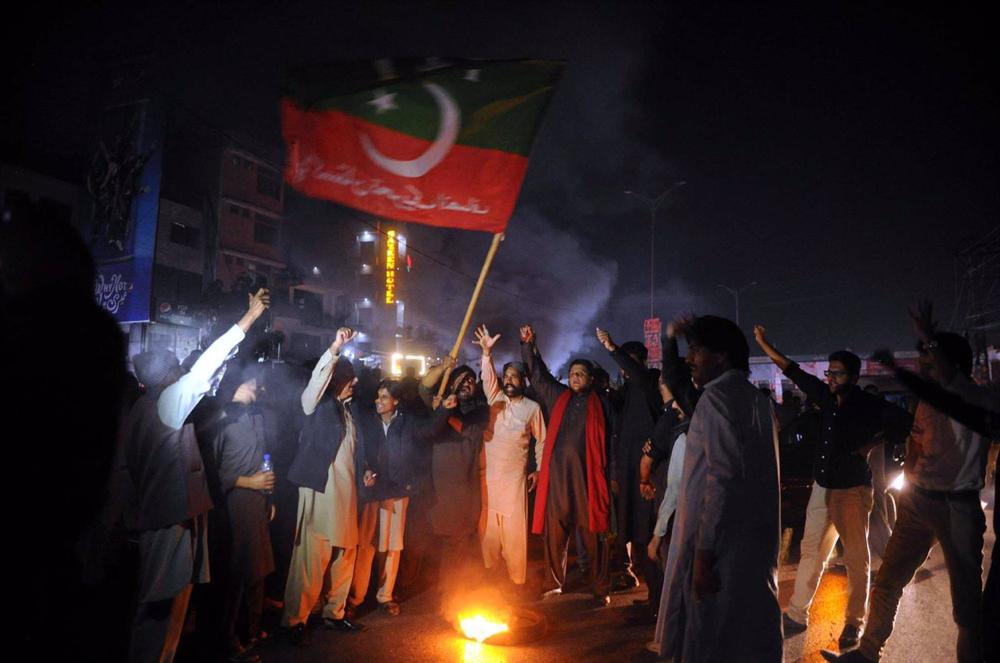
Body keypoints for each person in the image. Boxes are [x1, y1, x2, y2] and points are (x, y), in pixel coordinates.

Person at [823, 302, 1000, 663]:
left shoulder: (970, 396)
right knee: (888, 581)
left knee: (967, 608)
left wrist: (928, 337)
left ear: (952, 365)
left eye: (932, 362)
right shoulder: (929, 400)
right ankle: (867, 653)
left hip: (957, 506)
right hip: (919, 502)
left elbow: (947, 376)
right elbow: (915, 442)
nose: (925, 367)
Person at [123, 288, 270, 662]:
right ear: (167, 374)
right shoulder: (168, 403)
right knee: (162, 608)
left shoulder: (143, 408)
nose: (182, 371)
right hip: (169, 521)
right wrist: (248, 318)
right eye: (177, 367)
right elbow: (207, 366)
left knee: (165, 610)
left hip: (160, 517)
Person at [754, 325, 912, 650]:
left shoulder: (866, 404)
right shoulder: (826, 397)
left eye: (836, 374)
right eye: (829, 372)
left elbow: (905, 424)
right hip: (822, 485)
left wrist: (872, 443)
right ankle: (798, 613)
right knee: (813, 550)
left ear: (852, 377)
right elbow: (792, 371)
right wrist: (764, 344)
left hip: (852, 490)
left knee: (856, 558)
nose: (830, 378)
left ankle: (854, 623)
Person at [656, 315, 782, 662]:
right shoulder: (758, 401)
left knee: (711, 639)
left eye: (696, 350)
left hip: (720, 549)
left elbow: (721, 482)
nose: (689, 359)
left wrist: (704, 555)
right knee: (749, 635)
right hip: (752, 545)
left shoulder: (716, 399)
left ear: (721, 356)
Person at [281, 328, 375, 643]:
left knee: (346, 551)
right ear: (335, 380)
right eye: (349, 377)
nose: (356, 382)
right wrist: (335, 348)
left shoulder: (351, 411)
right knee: (313, 554)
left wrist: (364, 472)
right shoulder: (316, 403)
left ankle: (335, 613)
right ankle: (295, 620)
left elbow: (354, 450)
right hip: (320, 488)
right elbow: (315, 384)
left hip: (347, 492)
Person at [521, 323, 614, 606]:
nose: (575, 378)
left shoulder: (602, 405)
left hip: (587, 480)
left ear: (591, 380)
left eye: (581, 374)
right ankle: (553, 583)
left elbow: (611, 442)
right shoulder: (559, 397)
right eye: (572, 374)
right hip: (558, 479)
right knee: (555, 532)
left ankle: (600, 588)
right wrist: (528, 346)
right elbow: (538, 377)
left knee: (594, 535)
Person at [348, 378, 449, 617]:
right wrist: (364, 472)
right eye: (377, 396)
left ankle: (385, 595)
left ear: (395, 401)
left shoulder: (407, 423)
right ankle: (355, 599)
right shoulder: (368, 424)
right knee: (367, 547)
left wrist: (445, 409)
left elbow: (430, 430)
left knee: (392, 547)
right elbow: (359, 452)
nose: (378, 401)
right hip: (373, 494)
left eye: (384, 397)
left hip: (397, 492)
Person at [209, 363, 276, 661]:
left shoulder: (256, 416)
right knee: (237, 573)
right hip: (234, 506)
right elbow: (210, 473)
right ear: (237, 384)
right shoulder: (220, 420)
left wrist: (267, 492)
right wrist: (248, 482)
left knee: (258, 571)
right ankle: (229, 639)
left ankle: (253, 629)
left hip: (257, 504)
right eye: (254, 384)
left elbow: (263, 456)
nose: (259, 389)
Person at [473, 324, 547, 589]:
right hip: (490, 480)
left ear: (523, 381)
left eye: (515, 376)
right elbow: (488, 380)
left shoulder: (532, 408)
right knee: (489, 534)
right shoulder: (496, 400)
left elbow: (542, 440)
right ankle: (490, 580)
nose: (509, 380)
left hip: (515, 481)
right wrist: (486, 354)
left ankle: (517, 583)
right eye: (507, 376)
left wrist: (537, 471)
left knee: (515, 535)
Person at [417, 357, 490, 615]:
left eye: (471, 380)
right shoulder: (441, 402)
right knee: (450, 539)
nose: (467, 384)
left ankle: (455, 592)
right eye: (460, 380)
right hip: (443, 483)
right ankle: (448, 592)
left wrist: (446, 413)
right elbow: (424, 388)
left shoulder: (479, 410)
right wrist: (443, 367)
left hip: (465, 482)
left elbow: (469, 431)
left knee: (460, 538)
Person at [595, 328, 662, 598]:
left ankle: (657, 595)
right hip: (626, 471)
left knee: (648, 529)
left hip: (649, 472)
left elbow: (639, 377)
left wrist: (613, 348)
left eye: (631, 361)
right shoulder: (623, 394)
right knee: (628, 525)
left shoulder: (650, 382)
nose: (626, 369)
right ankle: (633, 574)